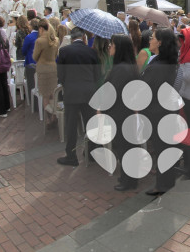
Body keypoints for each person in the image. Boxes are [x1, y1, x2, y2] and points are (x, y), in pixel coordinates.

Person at [141, 28, 179, 195]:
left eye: (153, 38)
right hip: (166, 110)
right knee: (165, 147)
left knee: (161, 147)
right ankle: (166, 180)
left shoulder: (157, 67)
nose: (150, 40)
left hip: (157, 112)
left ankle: (163, 185)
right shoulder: (166, 61)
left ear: (160, 42)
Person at [56, 26, 100, 166]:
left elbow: (60, 75)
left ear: (71, 38)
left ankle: (71, 155)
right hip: (89, 92)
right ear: (84, 38)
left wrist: (67, 84)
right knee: (90, 124)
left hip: (71, 92)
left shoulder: (64, 51)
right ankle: (91, 152)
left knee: (71, 125)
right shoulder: (92, 52)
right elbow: (97, 74)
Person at [107, 34, 141, 191]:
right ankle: (128, 178)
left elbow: (113, 93)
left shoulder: (122, 69)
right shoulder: (128, 66)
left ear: (119, 47)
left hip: (121, 114)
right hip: (126, 113)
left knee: (124, 147)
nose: (109, 46)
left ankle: (129, 181)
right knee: (127, 146)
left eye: (112, 44)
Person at [33, 18, 59, 126]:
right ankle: (54, 115)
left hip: (43, 69)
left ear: (41, 28)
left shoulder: (40, 41)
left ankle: (48, 118)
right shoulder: (55, 40)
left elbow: (35, 57)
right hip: (53, 68)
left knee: (45, 95)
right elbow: (56, 55)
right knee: (53, 94)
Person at [21, 19, 39, 98]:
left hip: (30, 62)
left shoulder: (29, 37)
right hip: (40, 62)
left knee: (31, 83)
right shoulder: (41, 35)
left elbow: (24, 50)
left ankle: (33, 101)